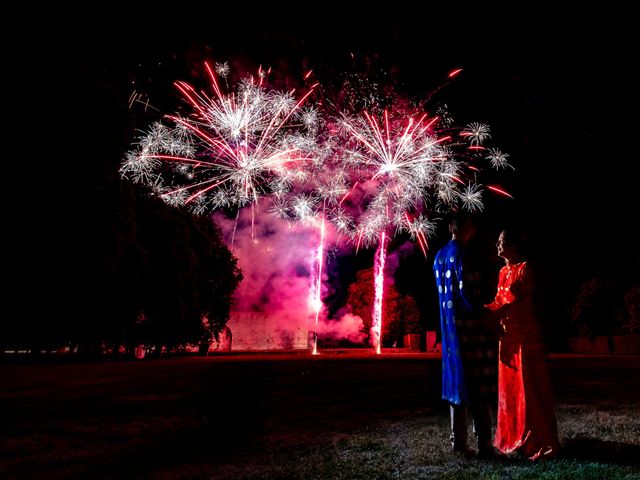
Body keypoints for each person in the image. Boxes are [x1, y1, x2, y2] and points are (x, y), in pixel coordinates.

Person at [484, 227, 561, 460]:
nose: (498, 246)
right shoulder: (501, 271)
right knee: (510, 389)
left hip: (524, 336)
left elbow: (517, 301)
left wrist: (492, 315)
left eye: (502, 241)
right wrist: (485, 312)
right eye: (497, 242)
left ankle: (537, 440)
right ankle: (512, 435)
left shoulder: (526, 269)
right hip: (507, 336)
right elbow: (498, 300)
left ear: (515, 245)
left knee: (528, 386)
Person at [433, 215, 498, 457]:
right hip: (469, 331)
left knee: (455, 386)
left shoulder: (439, 257)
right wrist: (487, 316)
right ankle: (484, 444)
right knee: (478, 386)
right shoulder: (464, 255)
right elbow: (469, 294)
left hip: (450, 333)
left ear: (451, 227)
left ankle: (458, 443)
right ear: (469, 229)